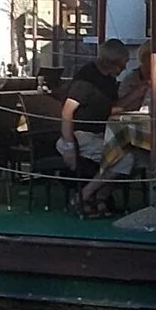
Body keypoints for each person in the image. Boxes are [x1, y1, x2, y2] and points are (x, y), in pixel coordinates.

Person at [58, 40, 135, 213]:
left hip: (101, 133)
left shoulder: (108, 80)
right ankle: (85, 195)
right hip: (80, 135)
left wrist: (139, 91)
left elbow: (113, 107)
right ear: (110, 63)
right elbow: (67, 111)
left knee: (137, 154)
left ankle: (99, 197)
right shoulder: (86, 80)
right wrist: (69, 145)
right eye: (122, 64)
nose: (124, 69)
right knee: (125, 158)